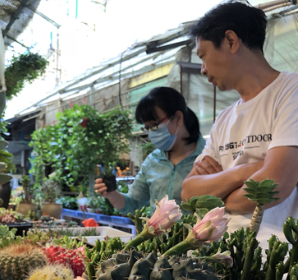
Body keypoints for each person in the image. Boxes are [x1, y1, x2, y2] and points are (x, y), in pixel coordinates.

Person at [181, 2, 298, 247]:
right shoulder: (223, 118)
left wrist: (217, 190)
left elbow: (275, 185)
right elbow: (189, 192)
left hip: (275, 264)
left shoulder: (291, 92)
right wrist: (243, 172)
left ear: (231, 41)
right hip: (221, 255)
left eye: (203, 56)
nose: (202, 69)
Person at [94, 87, 205, 215]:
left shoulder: (208, 157)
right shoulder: (153, 161)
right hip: (158, 234)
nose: (151, 132)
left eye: (154, 125)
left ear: (178, 118)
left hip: (197, 235)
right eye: (147, 128)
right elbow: (134, 203)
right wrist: (112, 194)